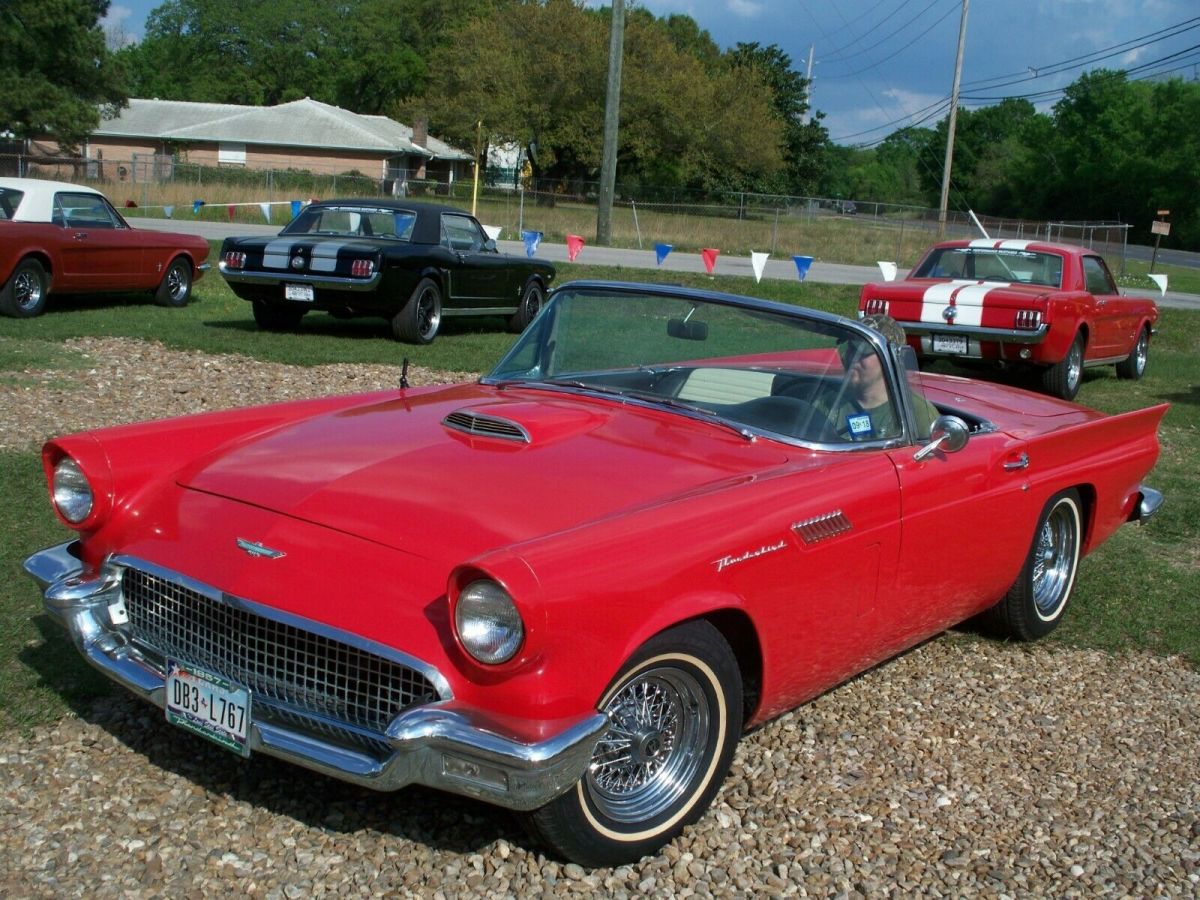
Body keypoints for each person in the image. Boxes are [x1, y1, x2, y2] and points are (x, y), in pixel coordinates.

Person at [822, 313, 940, 442]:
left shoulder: (917, 413)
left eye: (863, 351)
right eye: (851, 348)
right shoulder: (829, 401)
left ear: (890, 359)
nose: (851, 357)